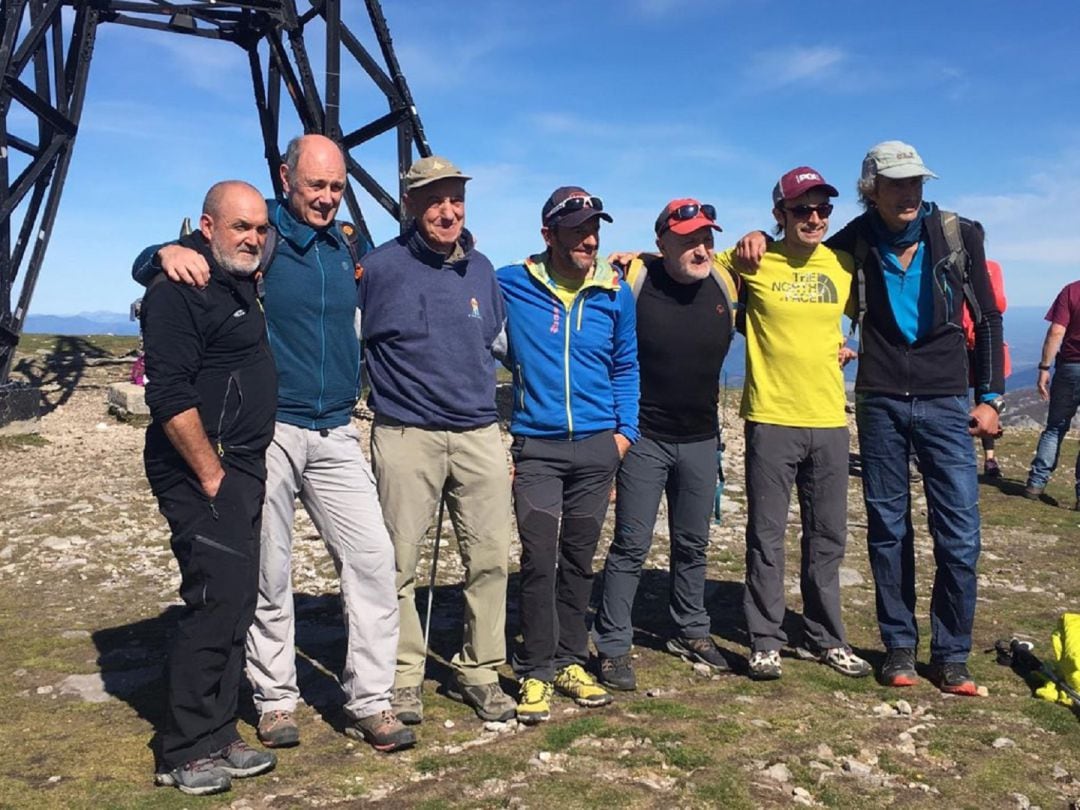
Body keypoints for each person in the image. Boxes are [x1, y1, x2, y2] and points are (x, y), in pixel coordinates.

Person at [133, 135, 413, 752]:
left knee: (372, 562)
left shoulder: (346, 245)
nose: (327, 198)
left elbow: (403, 266)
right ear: (286, 179)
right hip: (272, 431)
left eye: (337, 187)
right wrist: (159, 253)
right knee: (270, 570)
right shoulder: (263, 233)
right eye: (315, 185)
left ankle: (371, 700)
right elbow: (194, 251)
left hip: (337, 426)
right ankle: (275, 699)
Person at [737, 141, 1004, 695]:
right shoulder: (852, 242)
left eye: (917, 183)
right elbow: (797, 260)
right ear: (871, 190)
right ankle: (899, 650)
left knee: (959, 535)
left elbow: (989, 316)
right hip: (880, 398)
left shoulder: (959, 233)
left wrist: (990, 397)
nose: (910, 193)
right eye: (898, 184)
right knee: (888, 530)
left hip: (946, 397)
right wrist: (758, 236)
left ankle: (952, 655)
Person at [358, 156, 516, 725]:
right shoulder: (376, 269)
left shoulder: (483, 269)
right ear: (411, 206)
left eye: (455, 198)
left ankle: (480, 669)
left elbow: (498, 345)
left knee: (491, 558)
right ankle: (402, 677)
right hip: (406, 434)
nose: (447, 211)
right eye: (434, 200)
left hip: (478, 433)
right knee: (396, 564)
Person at [142, 181, 278, 795]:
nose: (252, 237)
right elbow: (169, 396)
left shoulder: (240, 281)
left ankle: (219, 731)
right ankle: (182, 749)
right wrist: (211, 474)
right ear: (206, 227)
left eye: (259, 228)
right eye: (238, 227)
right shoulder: (179, 290)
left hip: (242, 466)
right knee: (212, 598)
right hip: (204, 470)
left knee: (237, 600)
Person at [717, 168, 871, 681]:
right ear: (779, 213)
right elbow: (687, 263)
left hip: (829, 419)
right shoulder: (753, 259)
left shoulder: (843, 264)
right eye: (801, 208)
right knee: (766, 534)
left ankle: (827, 637)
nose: (814, 217)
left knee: (828, 536)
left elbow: (879, 317)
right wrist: (632, 262)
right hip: (771, 417)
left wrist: (855, 348)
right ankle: (765, 638)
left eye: (823, 208)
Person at [496, 187, 639, 724]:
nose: (590, 238)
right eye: (577, 229)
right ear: (548, 234)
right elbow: (460, 283)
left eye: (594, 228)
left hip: (598, 446)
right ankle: (535, 670)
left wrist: (624, 435)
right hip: (537, 448)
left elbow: (626, 365)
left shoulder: (615, 290)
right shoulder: (513, 281)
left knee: (579, 560)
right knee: (538, 560)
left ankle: (570, 660)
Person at [591, 199, 737, 691]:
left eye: (707, 239)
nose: (701, 249)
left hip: (701, 439)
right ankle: (612, 644)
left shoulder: (724, 282)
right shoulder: (633, 281)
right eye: (688, 240)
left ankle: (691, 630)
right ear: (662, 243)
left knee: (693, 544)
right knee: (631, 544)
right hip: (645, 439)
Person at [1024, 279, 1080, 510]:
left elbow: (1057, 331)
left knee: (1056, 426)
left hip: (1070, 367)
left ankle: (1036, 483)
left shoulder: (1072, 291)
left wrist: (1044, 367)